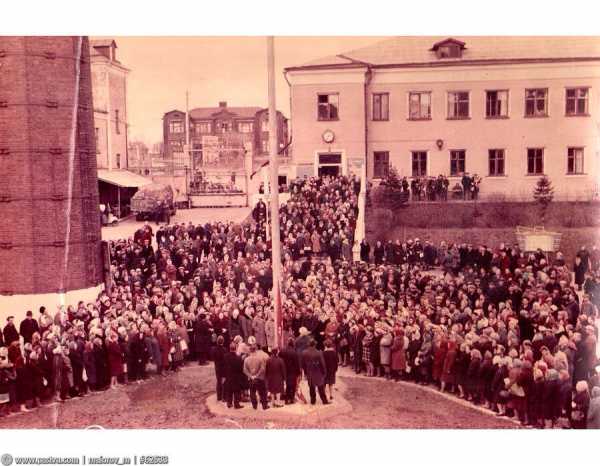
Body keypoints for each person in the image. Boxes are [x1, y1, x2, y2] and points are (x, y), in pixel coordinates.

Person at [243, 339, 269, 410]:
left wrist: (251, 376)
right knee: (262, 392)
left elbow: (244, 370)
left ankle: (254, 405)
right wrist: (257, 375)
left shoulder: (246, 359)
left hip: (251, 378)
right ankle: (264, 405)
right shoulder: (259, 358)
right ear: (256, 350)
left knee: (252, 392)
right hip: (259, 378)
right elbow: (262, 368)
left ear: (250, 350)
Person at [301, 339, 329, 405]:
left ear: (309, 344)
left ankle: (313, 401)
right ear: (315, 345)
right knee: (321, 388)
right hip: (318, 372)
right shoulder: (319, 353)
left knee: (311, 387)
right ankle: (324, 401)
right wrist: (324, 372)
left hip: (309, 372)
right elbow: (322, 364)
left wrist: (305, 372)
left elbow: (303, 364)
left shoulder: (304, 352)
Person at [280, 338, 302, 405]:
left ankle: (286, 399)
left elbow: (279, 359)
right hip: (292, 371)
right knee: (292, 385)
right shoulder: (294, 352)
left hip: (283, 370)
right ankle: (291, 399)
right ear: (293, 344)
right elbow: (296, 363)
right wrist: (298, 372)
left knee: (287, 384)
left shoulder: (282, 351)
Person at [222, 342, 244, 409]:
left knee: (229, 390)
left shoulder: (225, 356)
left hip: (228, 375)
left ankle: (229, 403)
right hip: (236, 376)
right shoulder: (238, 358)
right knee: (236, 390)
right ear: (236, 349)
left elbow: (223, 367)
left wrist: (224, 376)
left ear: (230, 348)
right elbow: (241, 369)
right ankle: (236, 404)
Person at [210, 335, 227, 401]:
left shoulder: (213, 349)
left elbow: (212, 358)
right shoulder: (224, 349)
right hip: (223, 367)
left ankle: (219, 397)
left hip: (217, 367)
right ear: (223, 341)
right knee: (224, 382)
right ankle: (224, 397)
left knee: (218, 381)